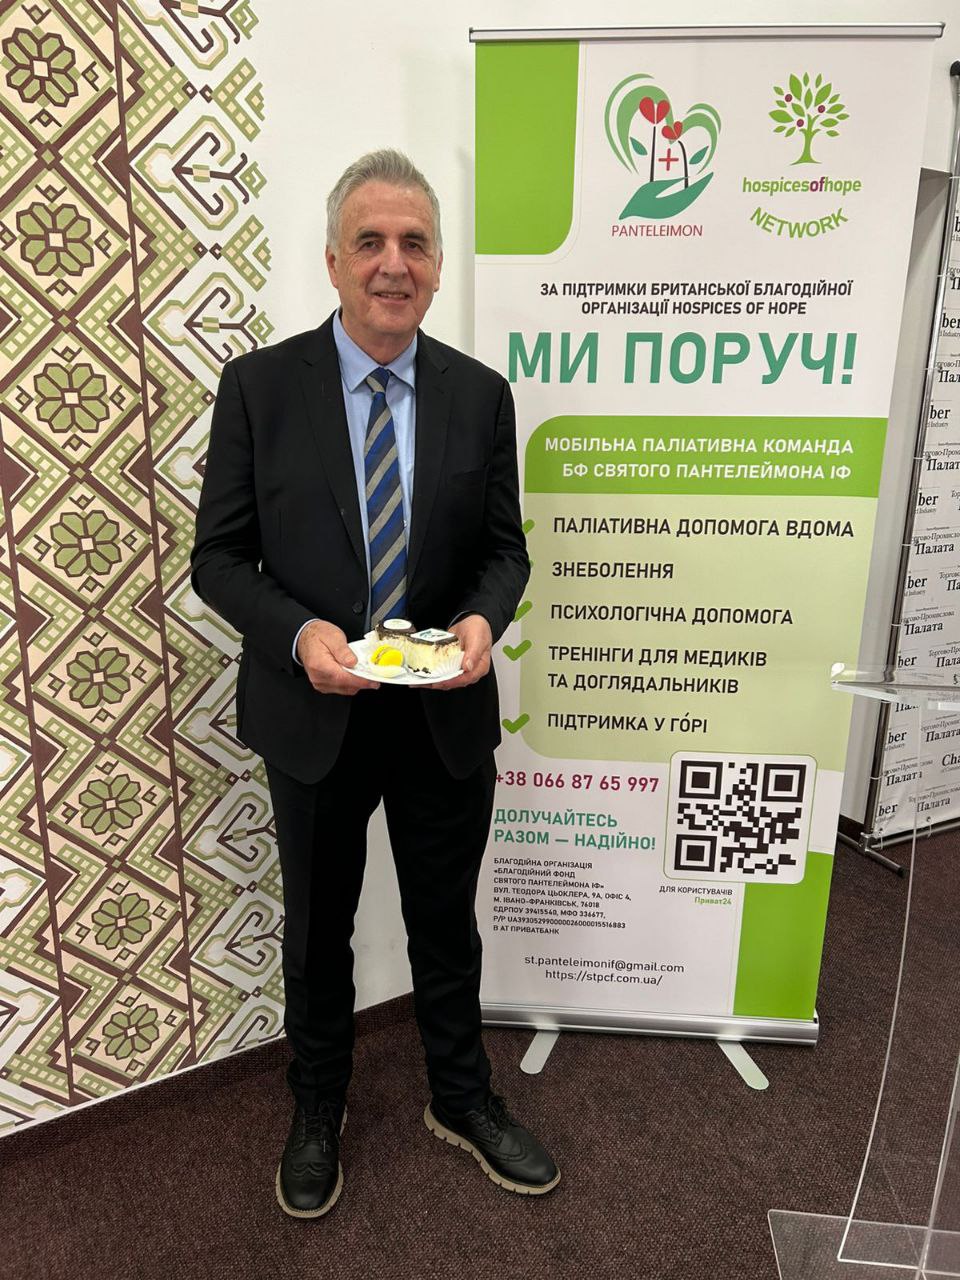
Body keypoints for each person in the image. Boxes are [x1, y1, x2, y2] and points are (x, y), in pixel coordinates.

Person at [191, 149, 559, 1218]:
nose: (393, 263)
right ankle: (318, 1106)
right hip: (315, 712)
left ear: (438, 266)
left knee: (447, 921)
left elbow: (505, 551)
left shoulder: (480, 394)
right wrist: (301, 632)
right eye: (370, 242)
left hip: (443, 715)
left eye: (414, 244)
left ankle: (463, 1096)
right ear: (333, 261)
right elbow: (219, 558)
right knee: (318, 930)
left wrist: (485, 620)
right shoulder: (260, 388)